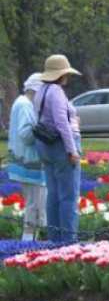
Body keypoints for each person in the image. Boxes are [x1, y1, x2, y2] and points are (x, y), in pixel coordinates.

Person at [32, 55, 82, 243]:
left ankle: (54, 239)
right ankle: (69, 242)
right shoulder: (56, 92)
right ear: (62, 75)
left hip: (45, 146)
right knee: (69, 197)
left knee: (53, 195)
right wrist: (72, 151)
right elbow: (62, 123)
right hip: (61, 146)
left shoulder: (41, 91)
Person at [8, 74, 47, 241]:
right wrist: (42, 130)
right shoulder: (25, 105)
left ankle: (31, 239)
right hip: (29, 162)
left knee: (33, 203)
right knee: (35, 205)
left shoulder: (21, 102)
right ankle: (28, 241)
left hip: (23, 161)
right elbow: (26, 134)